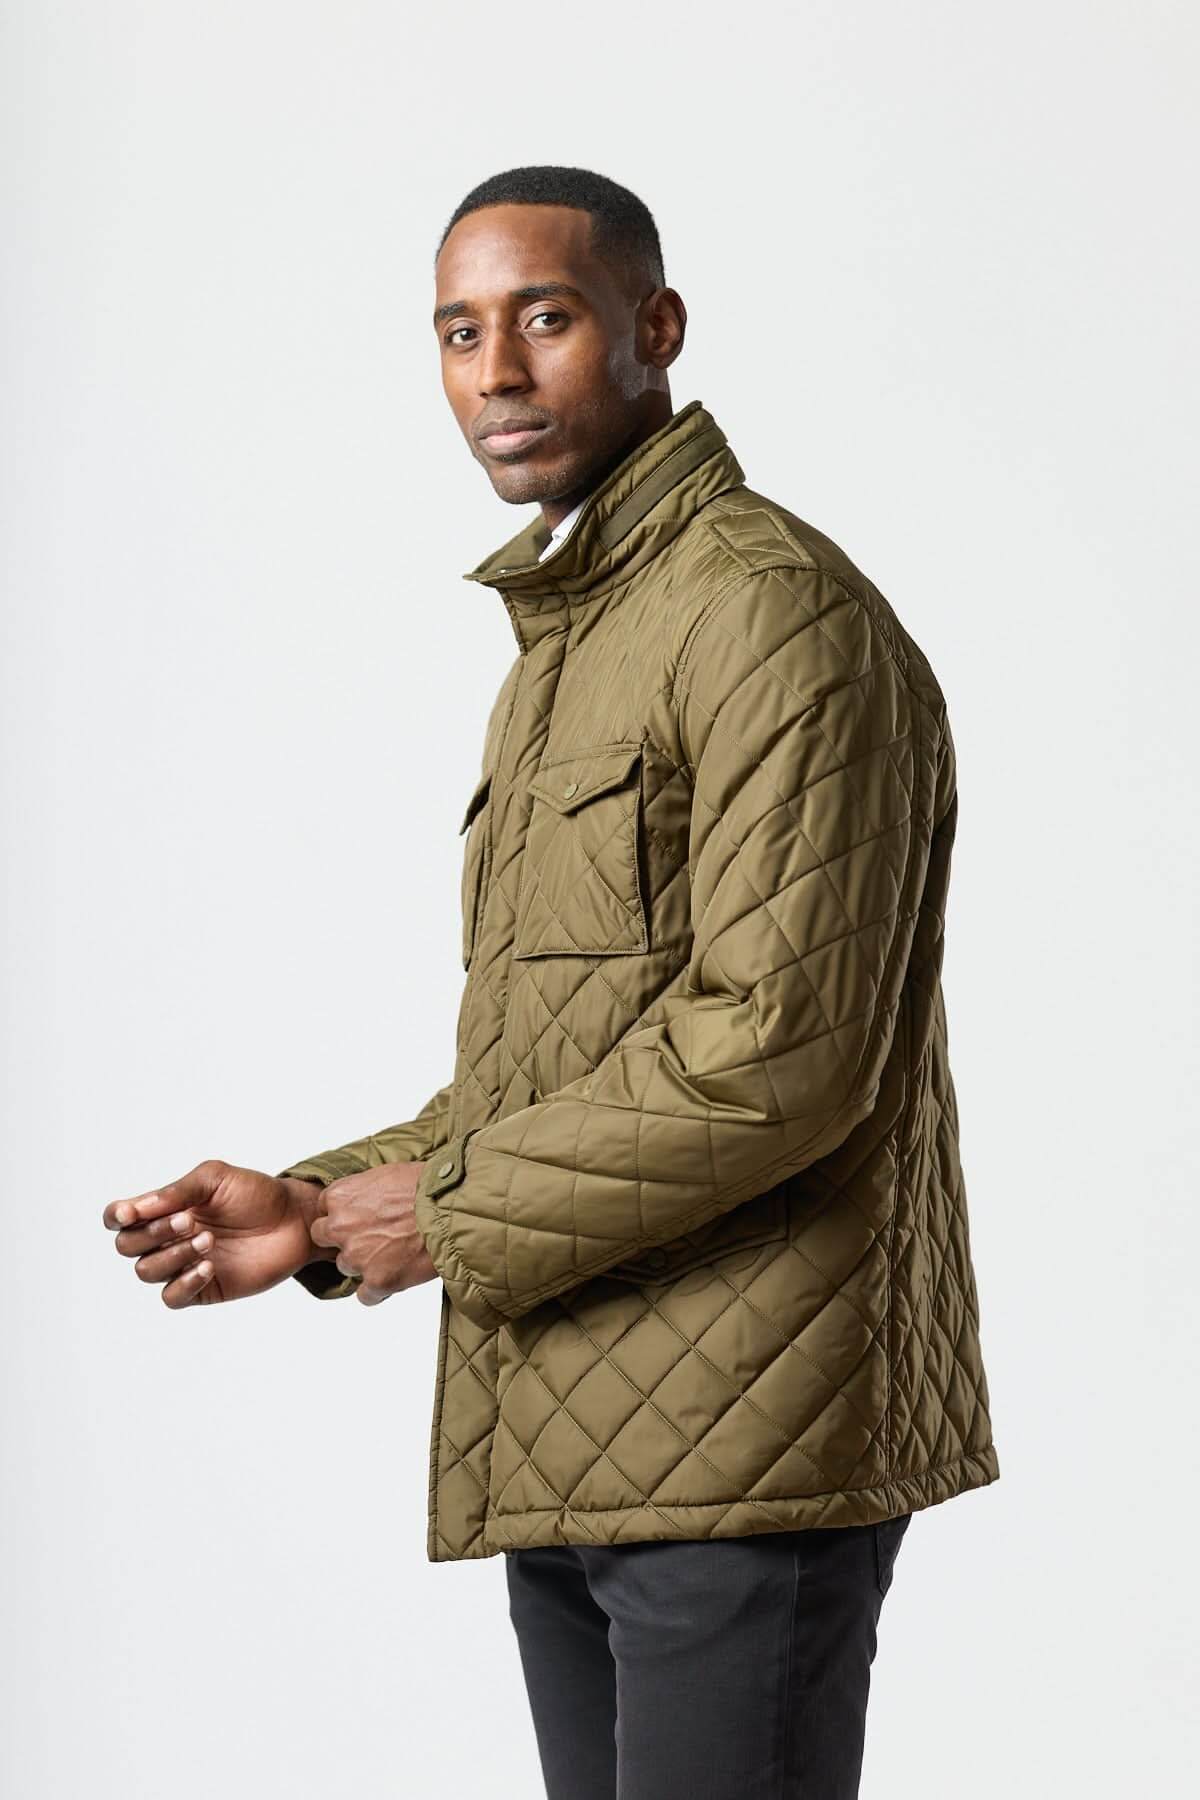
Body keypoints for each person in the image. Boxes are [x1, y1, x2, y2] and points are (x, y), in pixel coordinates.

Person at [103, 165, 999, 1799]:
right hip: (578, 1428)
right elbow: (566, 1065)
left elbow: (775, 1053)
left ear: (656, 327)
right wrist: (322, 1209)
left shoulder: (771, 615)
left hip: (745, 1438)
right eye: (459, 332)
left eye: (546, 318)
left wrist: (442, 1215)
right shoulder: (572, 646)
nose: (497, 373)